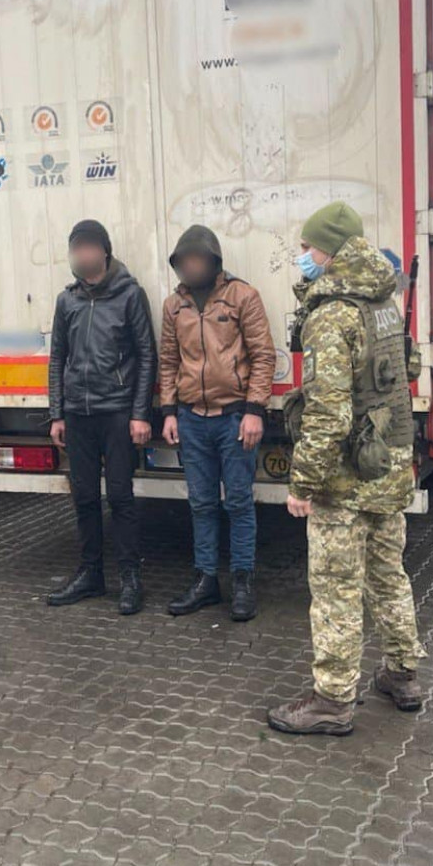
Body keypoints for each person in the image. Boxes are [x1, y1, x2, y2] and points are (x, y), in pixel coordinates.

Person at [267, 202, 428, 737]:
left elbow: (328, 413)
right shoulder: (385, 300)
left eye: (308, 247)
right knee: (388, 575)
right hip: (389, 467)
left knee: (337, 587)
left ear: (331, 251)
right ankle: (402, 674)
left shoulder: (332, 314)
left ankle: (333, 699)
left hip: (346, 478)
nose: (302, 256)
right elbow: (407, 368)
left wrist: (303, 483)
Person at [159, 225, 275, 621]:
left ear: (213, 259)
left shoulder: (243, 296)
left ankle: (242, 582)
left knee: (239, 502)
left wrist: (255, 411)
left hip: (234, 418)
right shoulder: (173, 306)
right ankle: (205, 580)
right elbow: (168, 361)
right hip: (191, 419)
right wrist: (169, 412)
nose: (191, 266)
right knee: (201, 503)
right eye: (184, 261)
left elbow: (263, 356)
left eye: (197, 258)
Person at [46, 220, 157, 615]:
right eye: (75, 248)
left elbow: (147, 355)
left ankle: (130, 578)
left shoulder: (130, 295)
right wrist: (57, 413)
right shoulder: (67, 301)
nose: (80, 255)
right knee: (85, 497)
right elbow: (57, 357)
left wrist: (140, 413)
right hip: (78, 414)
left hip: (117, 412)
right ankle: (91, 574)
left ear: (104, 252)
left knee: (121, 497)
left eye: (87, 247)